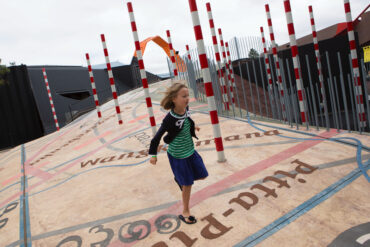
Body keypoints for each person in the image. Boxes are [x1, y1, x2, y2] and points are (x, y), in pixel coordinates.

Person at [149, 82, 208, 224]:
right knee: (188, 185)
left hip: (190, 151)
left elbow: (187, 119)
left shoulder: (186, 108)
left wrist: (194, 126)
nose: (187, 98)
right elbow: (156, 138)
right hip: (178, 156)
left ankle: (180, 179)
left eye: (188, 95)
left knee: (202, 175)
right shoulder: (169, 119)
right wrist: (153, 155)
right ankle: (185, 211)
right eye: (184, 96)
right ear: (174, 98)